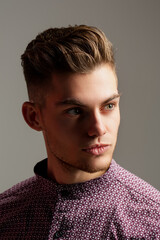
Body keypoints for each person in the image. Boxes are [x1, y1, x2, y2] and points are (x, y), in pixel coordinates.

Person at [0, 25, 160, 239]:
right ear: (33, 117)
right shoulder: (5, 216)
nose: (98, 128)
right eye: (75, 111)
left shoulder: (152, 222)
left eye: (109, 106)